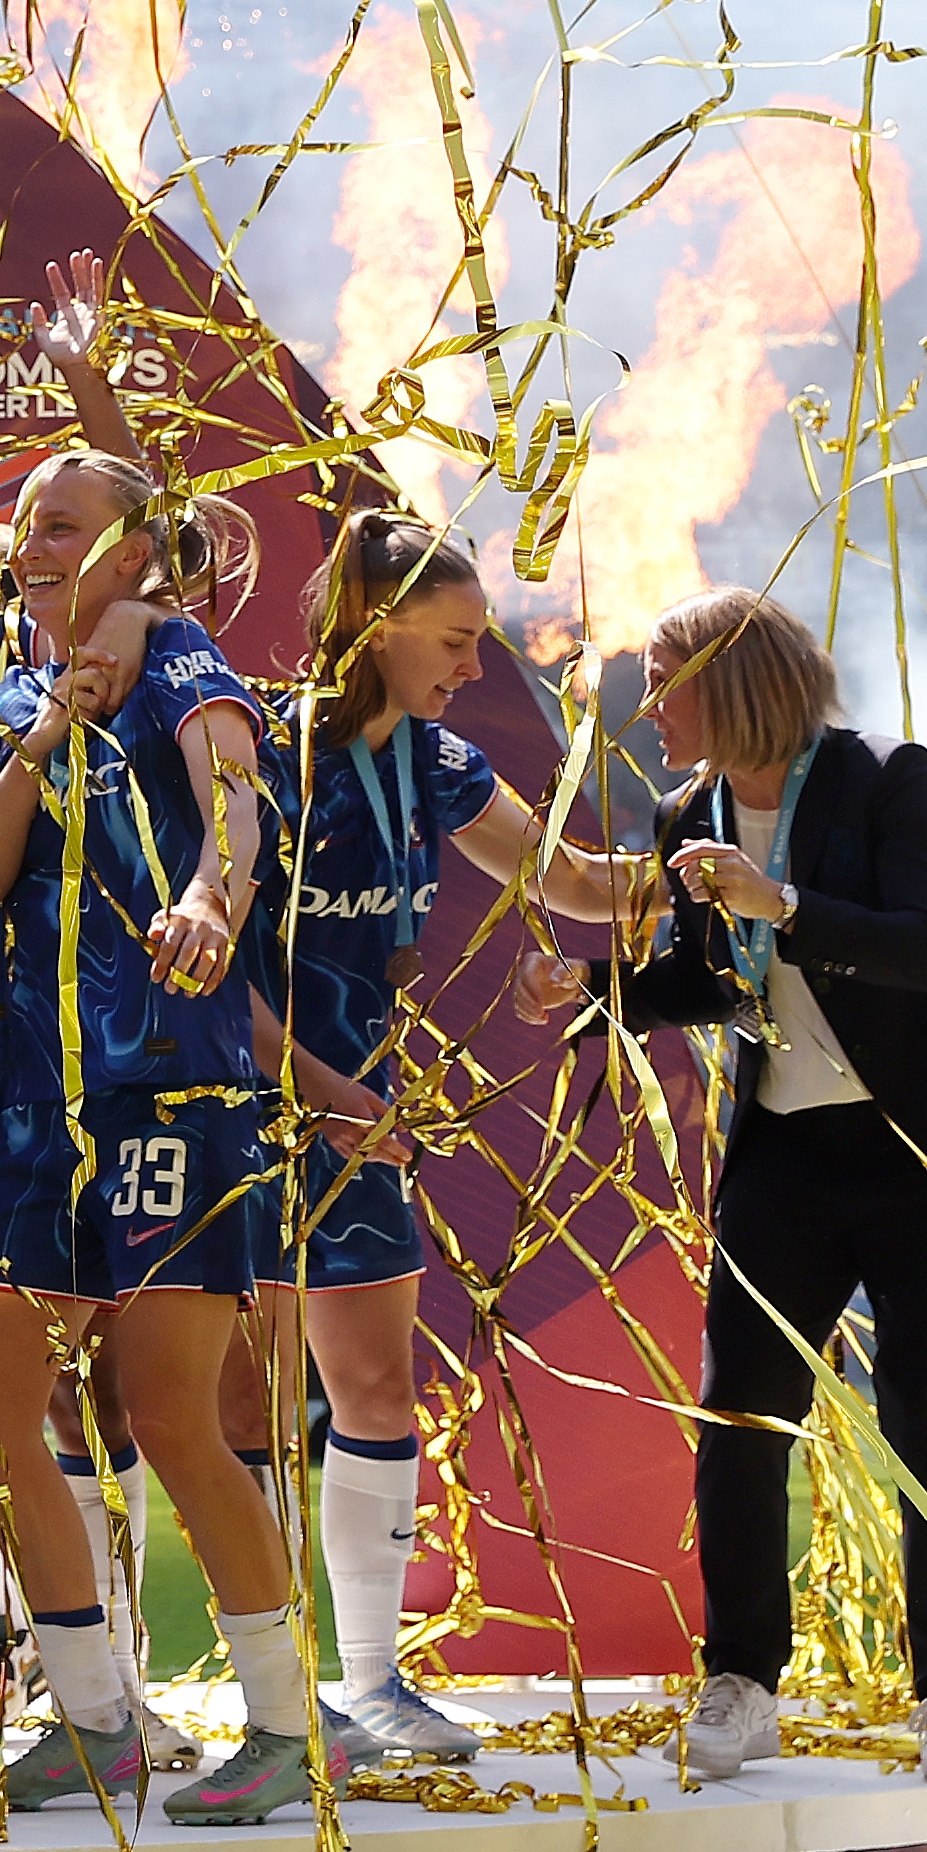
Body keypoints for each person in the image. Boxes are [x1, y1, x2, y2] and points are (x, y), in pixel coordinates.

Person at [599, 586, 927, 1785]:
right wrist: (598, 992)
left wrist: (777, 901)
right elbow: (708, 978)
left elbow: (920, 945)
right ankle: (740, 1678)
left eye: (660, 681)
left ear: (726, 679)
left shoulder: (882, 774)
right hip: (787, 1154)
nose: (645, 708)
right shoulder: (683, 809)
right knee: (738, 1416)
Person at [0, 449, 321, 1825]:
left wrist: (212, 897)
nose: (32, 543)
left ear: (135, 550)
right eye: (24, 522)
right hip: (33, 1101)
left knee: (167, 1413)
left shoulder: (177, 659)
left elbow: (237, 802)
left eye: (64, 523)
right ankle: (95, 1719)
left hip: (167, 1087)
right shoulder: (10, 692)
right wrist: (43, 733)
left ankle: (283, 1725)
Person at [251, 513, 643, 1764]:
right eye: (453, 640)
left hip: (360, 1122)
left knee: (372, 1387)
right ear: (373, 626)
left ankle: (371, 1682)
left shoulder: (436, 759)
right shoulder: (254, 749)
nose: (473, 668)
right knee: (235, 1404)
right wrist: (316, 1089)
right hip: (237, 1111)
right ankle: (242, 1699)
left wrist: (695, 873)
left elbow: (569, 880)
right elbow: (208, 975)